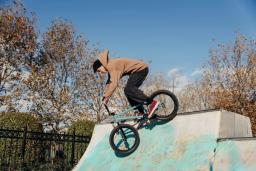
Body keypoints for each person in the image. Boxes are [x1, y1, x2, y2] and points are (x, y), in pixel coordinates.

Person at [93, 49, 159, 118]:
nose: (100, 73)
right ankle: (139, 112)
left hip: (140, 69)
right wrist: (104, 97)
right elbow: (109, 83)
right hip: (137, 71)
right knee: (127, 91)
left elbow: (114, 84)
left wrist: (106, 97)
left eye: (99, 70)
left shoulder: (112, 66)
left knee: (129, 89)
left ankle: (152, 103)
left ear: (102, 65)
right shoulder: (110, 67)